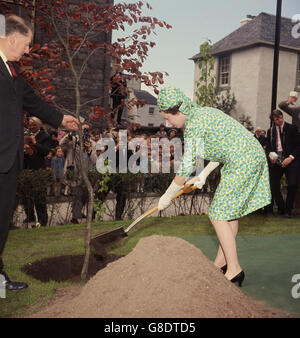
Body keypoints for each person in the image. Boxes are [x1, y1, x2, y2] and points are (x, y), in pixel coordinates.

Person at [157, 87, 271, 286]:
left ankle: (234, 269)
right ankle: (220, 264)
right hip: (246, 157)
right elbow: (223, 146)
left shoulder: (195, 124)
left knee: (217, 214)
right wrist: (204, 174)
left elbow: (185, 167)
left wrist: (167, 195)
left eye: (168, 118)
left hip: (242, 160)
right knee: (228, 214)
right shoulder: (203, 113)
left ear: (177, 111)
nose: (169, 123)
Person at [0, 14, 79, 291]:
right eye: (26, 44)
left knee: (2, 221)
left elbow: (34, 102)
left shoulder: (13, 73)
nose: (27, 50)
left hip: (9, 162)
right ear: (12, 39)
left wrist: (60, 119)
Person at [266, 109, 300, 218]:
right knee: (273, 184)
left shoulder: (292, 128)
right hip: (277, 161)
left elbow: (298, 145)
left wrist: (290, 158)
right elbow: (269, 147)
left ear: (282, 116)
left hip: (291, 159)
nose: (279, 120)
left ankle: (288, 211)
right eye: (276, 119)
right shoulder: (270, 131)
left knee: (292, 184)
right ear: (273, 120)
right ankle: (281, 208)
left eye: (280, 117)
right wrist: (271, 155)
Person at [23, 117, 52, 227]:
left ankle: (42, 221)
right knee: (26, 197)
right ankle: (30, 218)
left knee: (39, 198)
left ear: (39, 125)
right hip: (25, 169)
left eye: (33, 125)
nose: (31, 127)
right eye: (29, 125)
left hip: (38, 170)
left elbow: (45, 151)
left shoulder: (45, 136)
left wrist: (35, 143)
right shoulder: (25, 135)